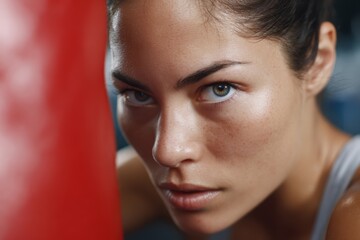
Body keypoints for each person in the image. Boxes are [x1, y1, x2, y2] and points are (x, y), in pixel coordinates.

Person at [108, 0, 360, 239]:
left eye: (219, 88)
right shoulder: (167, 184)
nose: (166, 152)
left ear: (317, 61)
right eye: (137, 94)